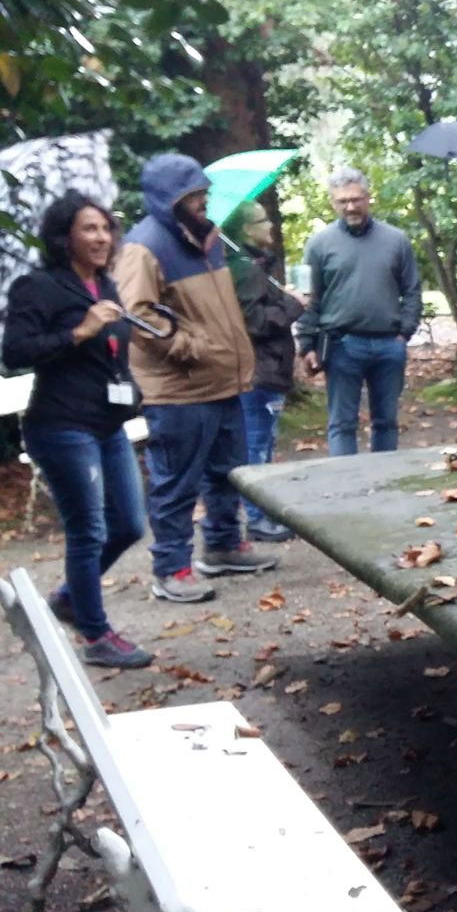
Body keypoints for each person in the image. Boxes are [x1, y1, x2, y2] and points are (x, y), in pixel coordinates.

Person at [113, 153, 276, 604]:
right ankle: (171, 568)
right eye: (193, 195)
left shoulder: (208, 240)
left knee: (229, 473)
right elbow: (136, 316)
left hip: (223, 381)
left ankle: (223, 545)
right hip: (179, 389)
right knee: (176, 482)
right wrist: (191, 347)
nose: (203, 200)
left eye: (204, 191)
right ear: (170, 200)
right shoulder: (143, 247)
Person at [2, 192, 153, 665]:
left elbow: (110, 356)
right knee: (87, 530)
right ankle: (95, 636)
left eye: (106, 228)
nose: (102, 237)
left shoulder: (105, 286)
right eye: (89, 229)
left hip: (106, 425)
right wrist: (80, 331)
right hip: (61, 426)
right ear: (64, 237)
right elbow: (14, 353)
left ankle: (68, 597)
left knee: (128, 524)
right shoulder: (39, 287)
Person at [298, 166, 422, 455]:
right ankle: (346, 489)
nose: (350, 206)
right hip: (342, 345)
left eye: (356, 199)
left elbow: (412, 290)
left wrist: (404, 333)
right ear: (333, 202)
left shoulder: (396, 240)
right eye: (343, 201)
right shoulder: (318, 244)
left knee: (387, 421)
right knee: (342, 423)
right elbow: (308, 298)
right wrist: (306, 344)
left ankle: (383, 482)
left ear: (368, 198)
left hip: (389, 343)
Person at [221, 200, 307, 543]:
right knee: (256, 446)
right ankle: (257, 519)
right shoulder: (243, 269)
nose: (270, 225)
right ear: (246, 230)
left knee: (263, 442)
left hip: (267, 371)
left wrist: (282, 297)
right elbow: (254, 322)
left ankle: (261, 514)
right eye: (262, 220)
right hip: (257, 372)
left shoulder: (253, 267)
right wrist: (293, 304)